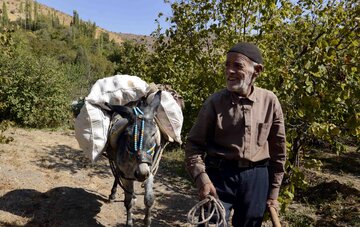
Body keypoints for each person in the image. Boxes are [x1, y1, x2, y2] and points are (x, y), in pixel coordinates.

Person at [185, 42, 286, 227]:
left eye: (237, 65)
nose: (229, 71)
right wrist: (201, 177)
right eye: (227, 65)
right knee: (211, 223)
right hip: (219, 176)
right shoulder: (214, 102)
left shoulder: (270, 101)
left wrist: (273, 192)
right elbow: (193, 145)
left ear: (257, 70)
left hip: (257, 178)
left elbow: (278, 152)